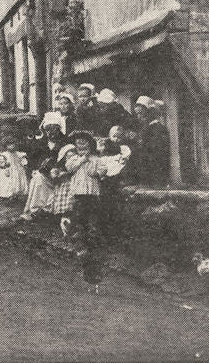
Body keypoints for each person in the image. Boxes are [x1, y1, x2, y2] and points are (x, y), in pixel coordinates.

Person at [64, 131, 130, 292]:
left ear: (90, 145)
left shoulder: (96, 159)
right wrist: (81, 160)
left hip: (92, 198)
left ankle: (94, 266)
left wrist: (97, 170)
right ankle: (82, 256)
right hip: (78, 198)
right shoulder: (73, 159)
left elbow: (102, 171)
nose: (81, 146)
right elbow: (69, 168)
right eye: (78, 143)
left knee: (92, 229)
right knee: (78, 229)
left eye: (84, 144)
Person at [20, 112, 65, 219]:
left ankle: (47, 209)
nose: (51, 132)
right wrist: (34, 168)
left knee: (39, 178)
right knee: (37, 178)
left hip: (60, 174)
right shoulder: (42, 143)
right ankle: (35, 210)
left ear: (59, 129)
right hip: (44, 174)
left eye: (54, 129)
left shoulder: (64, 142)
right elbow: (33, 158)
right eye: (48, 129)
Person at [128, 96, 170, 187]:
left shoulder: (158, 128)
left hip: (155, 172)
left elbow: (155, 150)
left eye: (141, 113)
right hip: (146, 172)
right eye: (137, 114)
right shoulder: (145, 128)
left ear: (150, 112)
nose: (139, 117)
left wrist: (139, 140)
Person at [0, 126, 29, 201]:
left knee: (16, 182)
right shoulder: (4, 154)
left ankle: (15, 194)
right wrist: (4, 165)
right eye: (9, 145)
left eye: (13, 144)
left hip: (16, 170)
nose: (12, 146)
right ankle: (6, 195)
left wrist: (24, 163)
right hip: (7, 170)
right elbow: (0, 162)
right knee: (7, 182)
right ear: (6, 145)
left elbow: (22, 158)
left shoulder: (17, 153)